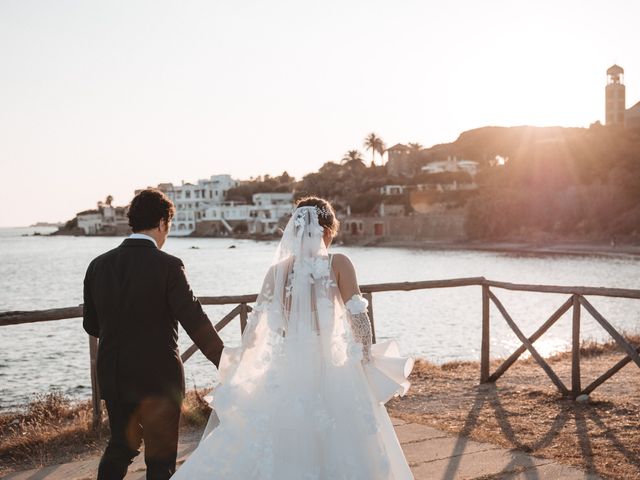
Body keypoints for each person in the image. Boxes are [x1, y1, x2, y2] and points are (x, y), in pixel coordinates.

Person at [172, 197, 414, 479]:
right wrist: (365, 357)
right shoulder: (339, 263)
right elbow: (358, 318)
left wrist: (245, 364)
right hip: (335, 367)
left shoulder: (277, 271)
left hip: (289, 366)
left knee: (279, 437)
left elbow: (258, 331)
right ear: (327, 228)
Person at [83, 188, 225, 480]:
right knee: (160, 460)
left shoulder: (98, 265)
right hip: (159, 378)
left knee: (121, 445)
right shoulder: (169, 266)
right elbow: (193, 318)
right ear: (162, 222)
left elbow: (92, 325)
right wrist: (225, 361)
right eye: (168, 226)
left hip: (114, 374)